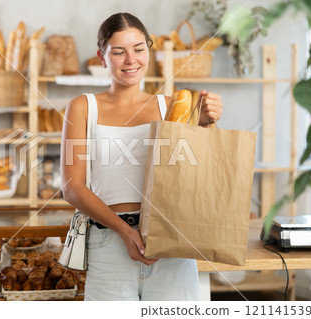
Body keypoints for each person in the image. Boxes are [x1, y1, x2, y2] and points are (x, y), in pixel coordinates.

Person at [60, 12, 223, 301]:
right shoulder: (83, 107)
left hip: (171, 241)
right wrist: (124, 231)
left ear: (148, 50)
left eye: (138, 49)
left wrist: (208, 121)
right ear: (102, 57)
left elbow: (192, 174)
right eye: (118, 52)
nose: (130, 60)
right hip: (109, 242)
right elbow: (72, 188)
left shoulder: (172, 107)